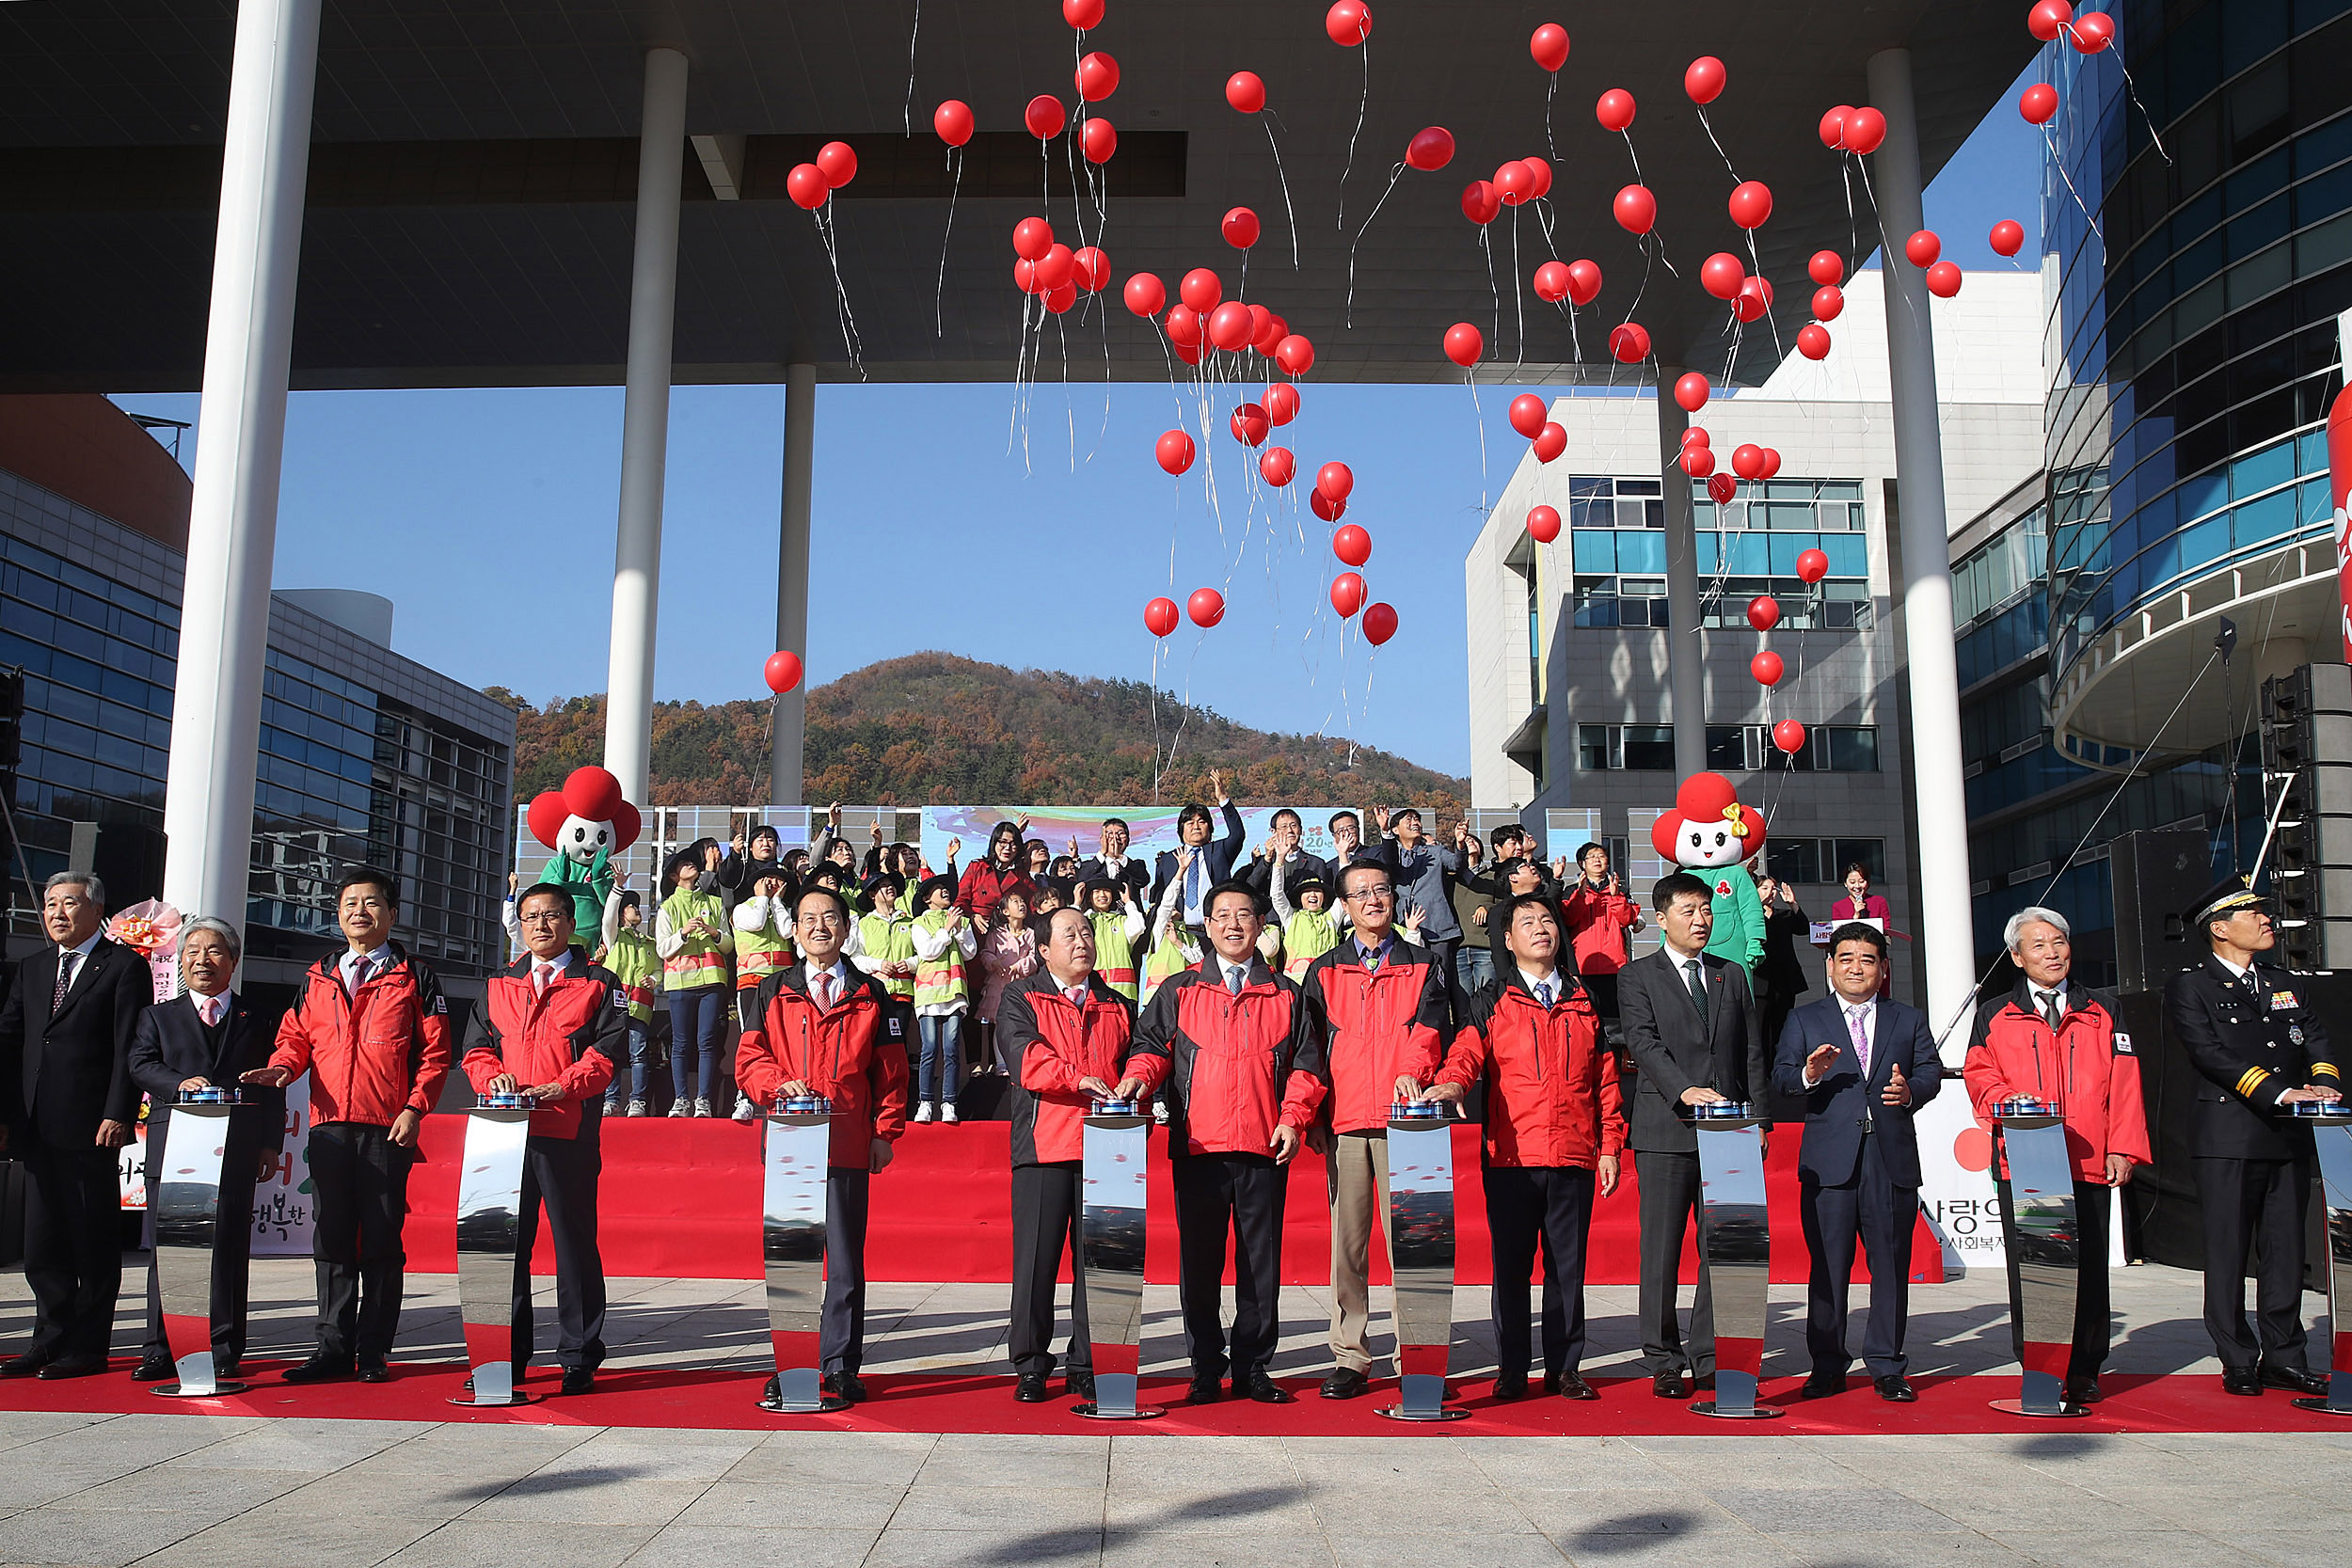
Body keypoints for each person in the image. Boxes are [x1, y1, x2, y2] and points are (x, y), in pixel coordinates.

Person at [243, 867, 453, 1384]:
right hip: (329, 1128)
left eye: (371, 903)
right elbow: (296, 1037)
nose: (360, 912)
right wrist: (283, 1067)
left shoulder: (415, 976)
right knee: (332, 1240)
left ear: (392, 914)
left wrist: (415, 1107)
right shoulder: (319, 975)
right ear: (337, 915)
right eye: (349, 904)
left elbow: (435, 1053)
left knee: (381, 1240)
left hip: (387, 1127)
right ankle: (331, 1348)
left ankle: (374, 1350)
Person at [1130, 879, 1327, 1404]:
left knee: (1260, 1261)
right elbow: (1150, 1048)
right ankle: (1204, 1366)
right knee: (1199, 1262)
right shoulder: (1179, 989)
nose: (1234, 924)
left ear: (1260, 926)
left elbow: (1307, 1067)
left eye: (1245, 915)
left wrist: (1292, 1119)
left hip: (1266, 1145)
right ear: (1208, 926)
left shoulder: (1286, 993)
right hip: (1199, 1146)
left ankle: (1254, 1367)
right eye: (1223, 915)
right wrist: (1139, 1078)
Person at [1424, 894, 1624, 1401]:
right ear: (1508, 941)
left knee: (1568, 1269)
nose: (1540, 929)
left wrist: (1610, 1147)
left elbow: (1604, 1082)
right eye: (1526, 923)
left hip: (1574, 1154)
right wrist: (1451, 1083)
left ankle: (1564, 1366)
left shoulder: (1585, 999)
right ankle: (1512, 1368)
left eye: (1547, 921)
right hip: (1511, 1156)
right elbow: (1467, 1051)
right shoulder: (1492, 1000)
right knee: (1512, 1268)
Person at [1963, 906, 2149, 1405]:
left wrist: (2123, 1147)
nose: (2052, 952)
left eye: (2059, 942)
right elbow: (1980, 1075)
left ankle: (2086, 1367)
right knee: (2035, 1269)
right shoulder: (1994, 1013)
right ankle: (2041, 1366)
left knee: (2088, 1268)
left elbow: (2127, 1084)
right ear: (2017, 957)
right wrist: (2008, 1104)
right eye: (2039, 945)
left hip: (2089, 1159)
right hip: (2026, 1161)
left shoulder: (2103, 1009)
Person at [735, 884, 913, 1403]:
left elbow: (892, 1073)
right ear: (793, 930)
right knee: (792, 1259)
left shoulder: (872, 994)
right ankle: (790, 1364)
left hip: (848, 1144)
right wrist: (775, 1084)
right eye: (808, 918)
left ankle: (839, 1365)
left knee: (845, 1264)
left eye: (830, 917)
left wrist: (884, 1133)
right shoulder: (770, 991)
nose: (819, 927)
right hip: (791, 1141)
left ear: (846, 927)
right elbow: (749, 1058)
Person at [2164, 875, 2339, 1397]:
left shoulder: (2285, 981)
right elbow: (2210, 1053)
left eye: (2265, 911)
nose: (2267, 919)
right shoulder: (2191, 985)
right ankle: (2237, 1356)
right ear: (2220, 928)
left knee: (2285, 1250)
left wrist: (2324, 1085)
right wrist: (2283, 1094)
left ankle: (2285, 1355)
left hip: (2288, 1137)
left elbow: (2315, 1037)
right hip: (2230, 1136)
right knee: (2228, 1251)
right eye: (2254, 913)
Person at [460, 883, 624, 1394]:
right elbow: (476, 1050)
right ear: (520, 924)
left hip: (565, 1131)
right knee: (506, 1248)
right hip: (504, 1133)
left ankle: (579, 1355)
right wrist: (494, 1080)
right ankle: (504, 1359)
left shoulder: (598, 983)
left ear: (572, 924)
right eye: (531, 917)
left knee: (573, 1245)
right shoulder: (497, 984)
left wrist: (562, 1087)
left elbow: (607, 1054)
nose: (541, 925)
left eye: (552, 916)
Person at [1772, 922, 1942, 1402]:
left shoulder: (1907, 1019)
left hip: (1889, 1159)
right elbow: (1781, 1077)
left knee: (1890, 1264)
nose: (1856, 968)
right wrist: (1807, 1073)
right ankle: (1827, 1364)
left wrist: (1912, 1090)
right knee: (1828, 1266)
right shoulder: (1806, 1020)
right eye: (1845, 958)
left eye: (1867, 960)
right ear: (1829, 965)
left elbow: (1929, 1069)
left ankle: (1887, 1364)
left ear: (1883, 969)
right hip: (1830, 1162)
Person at [1298, 861, 1446, 1400]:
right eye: (1360, 893)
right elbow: (1309, 1048)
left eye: (1381, 890)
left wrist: (1413, 1072)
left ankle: (1420, 1356)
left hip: (1408, 1120)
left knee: (1414, 1243)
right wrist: (1313, 1114)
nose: (1372, 899)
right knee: (1349, 1245)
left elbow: (1430, 1029)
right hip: (1346, 1122)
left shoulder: (1426, 964)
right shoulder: (1324, 971)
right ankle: (1350, 1354)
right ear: (1345, 904)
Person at [1617, 871, 1768, 1399]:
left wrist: (1760, 1119)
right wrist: (1685, 1090)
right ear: (1661, 919)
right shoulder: (1637, 976)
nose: (1702, 920)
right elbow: (1643, 1040)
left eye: (1706, 910)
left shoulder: (1730, 974)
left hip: (1729, 1129)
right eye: (1689, 911)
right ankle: (1661, 1356)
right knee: (1660, 1248)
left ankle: (1708, 1353)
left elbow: (1750, 1051)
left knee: (1719, 1247)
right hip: (1667, 1128)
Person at [996, 907, 1154, 1402]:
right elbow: (1024, 1055)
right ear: (1043, 949)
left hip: (1109, 1144)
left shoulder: (1117, 1003)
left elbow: (1146, 1050)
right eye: (1070, 934)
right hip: (1046, 1145)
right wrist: (1076, 1077)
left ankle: (1090, 1361)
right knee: (1037, 1262)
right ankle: (1030, 1363)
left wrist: (1140, 1075)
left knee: (1102, 1264)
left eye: (1087, 932)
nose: (1082, 940)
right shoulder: (1023, 997)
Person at [0, 873, 151, 1379]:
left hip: (92, 1125)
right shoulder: (35, 966)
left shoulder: (124, 966)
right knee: (42, 1244)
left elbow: (129, 1045)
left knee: (92, 1240)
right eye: (49, 904)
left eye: (69, 903)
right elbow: (10, 1038)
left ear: (96, 910)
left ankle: (87, 1346)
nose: (57, 913)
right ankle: (49, 1339)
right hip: (36, 1124)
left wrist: (119, 1111)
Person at [127, 915, 284, 1382]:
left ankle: (224, 1345)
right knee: (168, 1251)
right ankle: (159, 1347)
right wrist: (179, 1084)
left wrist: (270, 1144)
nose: (202, 960)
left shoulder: (256, 1016)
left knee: (228, 1250)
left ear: (233, 961)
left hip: (235, 1150)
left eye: (214, 951)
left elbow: (273, 1084)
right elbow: (140, 1064)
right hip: (174, 1145)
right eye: (192, 951)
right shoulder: (158, 1015)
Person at [1367, 807, 1464, 1023]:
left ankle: (1443, 1030)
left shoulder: (1435, 852)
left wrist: (1459, 844)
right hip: (1405, 928)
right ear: (1396, 829)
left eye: (1418, 819)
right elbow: (1390, 863)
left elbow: (1457, 864)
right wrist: (1384, 832)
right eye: (1409, 819)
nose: (1416, 822)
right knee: (1410, 981)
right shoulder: (1392, 854)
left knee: (1441, 982)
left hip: (1439, 929)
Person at [657, 847, 733, 1117]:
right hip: (679, 984)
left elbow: (728, 944)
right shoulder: (668, 907)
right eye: (684, 864)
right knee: (680, 1043)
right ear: (674, 876)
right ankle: (681, 1100)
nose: (691, 866)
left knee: (707, 1042)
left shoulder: (713, 903)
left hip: (712, 981)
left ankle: (703, 1100)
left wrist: (714, 933)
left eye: (693, 862)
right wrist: (683, 933)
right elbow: (663, 949)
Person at [911, 875, 977, 1125]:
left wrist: (958, 930)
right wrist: (947, 929)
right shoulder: (919, 923)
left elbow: (970, 953)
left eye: (946, 889)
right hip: (928, 993)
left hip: (954, 992)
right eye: (939, 890)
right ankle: (925, 1102)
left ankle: (949, 1103)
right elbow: (927, 951)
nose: (945, 892)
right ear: (927, 898)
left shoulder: (961, 921)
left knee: (951, 1050)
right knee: (929, 1048)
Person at [1151, 771, 1246, 931]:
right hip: (1179, 933)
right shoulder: (1167, 860)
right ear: (1181, 830)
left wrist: (1223, 798)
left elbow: (1238, 834)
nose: (1196, 826)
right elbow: (1158, 895)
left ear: (1210, 828)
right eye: (1190, 823)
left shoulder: (1219, 851)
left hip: (1214, 932)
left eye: (1202, 822)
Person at [599, 880, 662, 1117]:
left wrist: (655, 980)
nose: (637, 910)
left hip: (641, 1007)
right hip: (616, 1007)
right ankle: (611, 1100)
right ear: (621, 912)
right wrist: (617, 888)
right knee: (613, 1053)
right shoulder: (614, 937)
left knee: (638, 1054)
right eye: (631, 906)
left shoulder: (650, 943)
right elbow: (607, 919)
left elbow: (659, 969)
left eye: (637, 906)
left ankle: (637, 1101)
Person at [1560, 842, 1642, 1022]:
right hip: (1583, 964)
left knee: (1615, 1016)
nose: (1597, 860)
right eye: (1592, 856)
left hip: (1615, 964)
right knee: (1587, 1015)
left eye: (1602, 856)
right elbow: (1568, 919)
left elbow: (1629, 919)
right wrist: (1580, 897)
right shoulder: (1571, 891)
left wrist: (1615, 897)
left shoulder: (1620, 890)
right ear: (1582, 863)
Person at [976, 888, 1041, 1075]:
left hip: (1024, 984)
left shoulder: (1031, 933)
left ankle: (1022, 1062)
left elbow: (1035, 957)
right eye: (1015, 902)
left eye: (1022, 901)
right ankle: (1001, 1063)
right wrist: (993, 962)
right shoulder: (996, 933)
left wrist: (1020, 966)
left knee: (1024, 1023)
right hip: (999, 984)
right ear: (1005, 912)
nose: (1021, 905)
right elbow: (986, 952)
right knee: (1000, 1024)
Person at [1754, 874, 1812, 1050]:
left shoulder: (1784, 915)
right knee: (1761, 1029)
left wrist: (1792, 903)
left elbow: (1804, 928)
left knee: (1783, 1027)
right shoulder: (1752, 917)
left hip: (1785, 979)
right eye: (1764, 888)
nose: (1770, 893)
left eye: (1773, 889)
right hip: (1761, 980)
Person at [1242, 808, 1332, 906]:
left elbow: (1325, 896)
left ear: (1300, 830)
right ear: (1273, 832)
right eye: (1284, 827)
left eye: (1293, 826)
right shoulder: (1265, 861)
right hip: (1273, 919)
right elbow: (1251, 887)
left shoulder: (1316, 863)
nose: (1289, 830)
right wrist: (1267, 858)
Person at [853, 875, 919, 1006]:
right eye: (884, 885)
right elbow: (856, 958)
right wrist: (878, 964)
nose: (890, 887)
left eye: (891, 884)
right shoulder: (864, 924)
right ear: (872, 895)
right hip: (875, 994)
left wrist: (910, 963)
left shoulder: (910, 922)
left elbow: (923, 955)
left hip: (905, 994)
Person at [958, 819, 1037, 929]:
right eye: (1003, 842)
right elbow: (960, 900)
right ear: (994, 843)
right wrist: (972, 916)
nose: (1007, 848)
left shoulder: (1022, 876)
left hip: (1007, 935)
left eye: (1013, 844)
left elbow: (1035, 904)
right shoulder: (977, 867)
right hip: (976, 930)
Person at [1270, 859, 1341, 982]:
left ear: (1324, 897)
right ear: (1300, 897)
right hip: (1296, 984)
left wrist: (1343, 856)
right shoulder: (1291, 917)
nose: (1313, 894)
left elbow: (1344, 893)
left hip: (1327, 982)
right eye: (1307, 891)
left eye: (1318, 891)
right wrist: (1279, 861)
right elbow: (1277, 895)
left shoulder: (1331, 918)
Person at [1082, 878, 1148, 1004]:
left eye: (1106, 891)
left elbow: (1139, 927)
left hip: (1124, 992)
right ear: (1090, 896)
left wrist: (1128, 902)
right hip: (1095, 991)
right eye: (1097, 891)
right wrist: (1076, 903)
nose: (1102, 895)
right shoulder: (1085, 922)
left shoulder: (1122, 921)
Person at [1074, 818, 1151, 908]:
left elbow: (1143, 880)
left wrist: (1119, 856)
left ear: (1128, 840)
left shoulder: (1135, 865)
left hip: (1129, 917)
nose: (1115, 838)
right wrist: (1103, 852)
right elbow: (1081, 881)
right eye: (1110, 834)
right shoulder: (1089, 866)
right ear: (1101, 839)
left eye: (1120, 833)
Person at [719, 822, 789, 911]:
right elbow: (726, 879)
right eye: (760, 840)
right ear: (751, 847)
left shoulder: (783, 871)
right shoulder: (744, 869)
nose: (766, 844)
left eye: (770, 839)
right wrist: (736, 853)